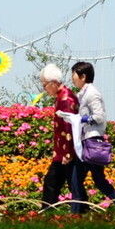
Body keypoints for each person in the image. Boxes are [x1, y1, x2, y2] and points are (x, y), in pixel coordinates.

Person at [68, 61, 115, 210]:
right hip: (86, 141)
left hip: (92, 142)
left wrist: (82, 119)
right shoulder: (82, 93)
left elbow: (99, 116)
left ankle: (76, 215)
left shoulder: (92, 93)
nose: (72, 77)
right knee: (96, 180)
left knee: (78, 180)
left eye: (73, 74)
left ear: (83, 76)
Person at [39, 63, 82, 211]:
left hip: (66, 153)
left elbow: (69, 126)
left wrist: (68, 153)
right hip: (62, 151)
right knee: (68, 184)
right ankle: (81, 211)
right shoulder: (62, 96)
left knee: (53, 183)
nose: (44, 88)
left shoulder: (66, 99)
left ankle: (47, 212)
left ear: (53, 83)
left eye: (44, 85)